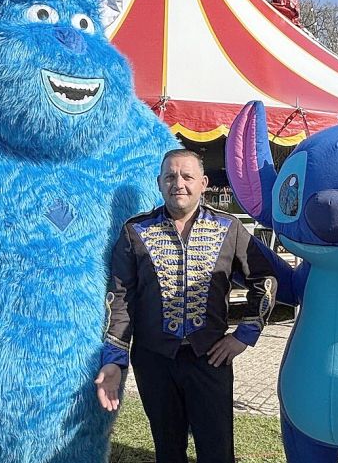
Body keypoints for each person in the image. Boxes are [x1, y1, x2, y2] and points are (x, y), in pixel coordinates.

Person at [95, 148, 277, 463]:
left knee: (217, 451)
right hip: (154, 361)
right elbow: (120, 298)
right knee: (167, 448)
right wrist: (114, 360)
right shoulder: (135, 230)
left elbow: (265, 280)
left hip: (210, 358)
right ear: (159, 183)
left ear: (203, 183)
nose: (178, 183)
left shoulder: (229, 227)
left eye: (187, 176)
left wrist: (243, 335)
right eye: (170, 176)